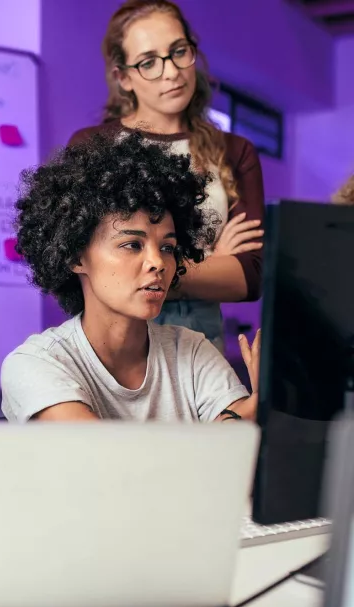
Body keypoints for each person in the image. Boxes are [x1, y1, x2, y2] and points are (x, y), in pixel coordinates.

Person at [1, 129, 259, 425]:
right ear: (75, 256)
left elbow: (234, 456)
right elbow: (108, 461)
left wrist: (250, 412)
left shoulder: (192, 350)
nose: (158, 263)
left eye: (167, 247)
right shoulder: (35, 363)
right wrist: (242, 417)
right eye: (132, 245)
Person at [68, 0, 265, 351]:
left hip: (203, 352)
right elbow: (81, 267)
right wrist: (212, 264)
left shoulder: (235, 152)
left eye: (178, 52)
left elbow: (251, 278)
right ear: (123, 77)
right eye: (148, 63)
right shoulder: (93, 147)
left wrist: (136, 271)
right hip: (110, 351)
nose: (171, 72)